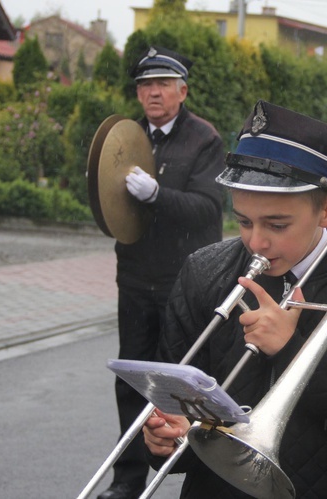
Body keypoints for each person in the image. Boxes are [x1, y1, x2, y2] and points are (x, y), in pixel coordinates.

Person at [142, 100, 327, 498]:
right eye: (243, 221)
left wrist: (295, 349)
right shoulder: (203, 271)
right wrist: (169, 441)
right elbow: (181, 409)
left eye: (277, 224)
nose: (256, 241)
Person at [97, 46, 226, 499]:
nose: (152, 92)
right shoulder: (126, 136)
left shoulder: (204, 140)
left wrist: (156, 194)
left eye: (163, 84)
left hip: (181, 283)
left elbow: (209, 209)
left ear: (182, 90)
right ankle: (127, 480)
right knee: (130, 382)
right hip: (134, 277)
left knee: (179, 384)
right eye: (145, 85)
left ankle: (187, 469)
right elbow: (107, 202)